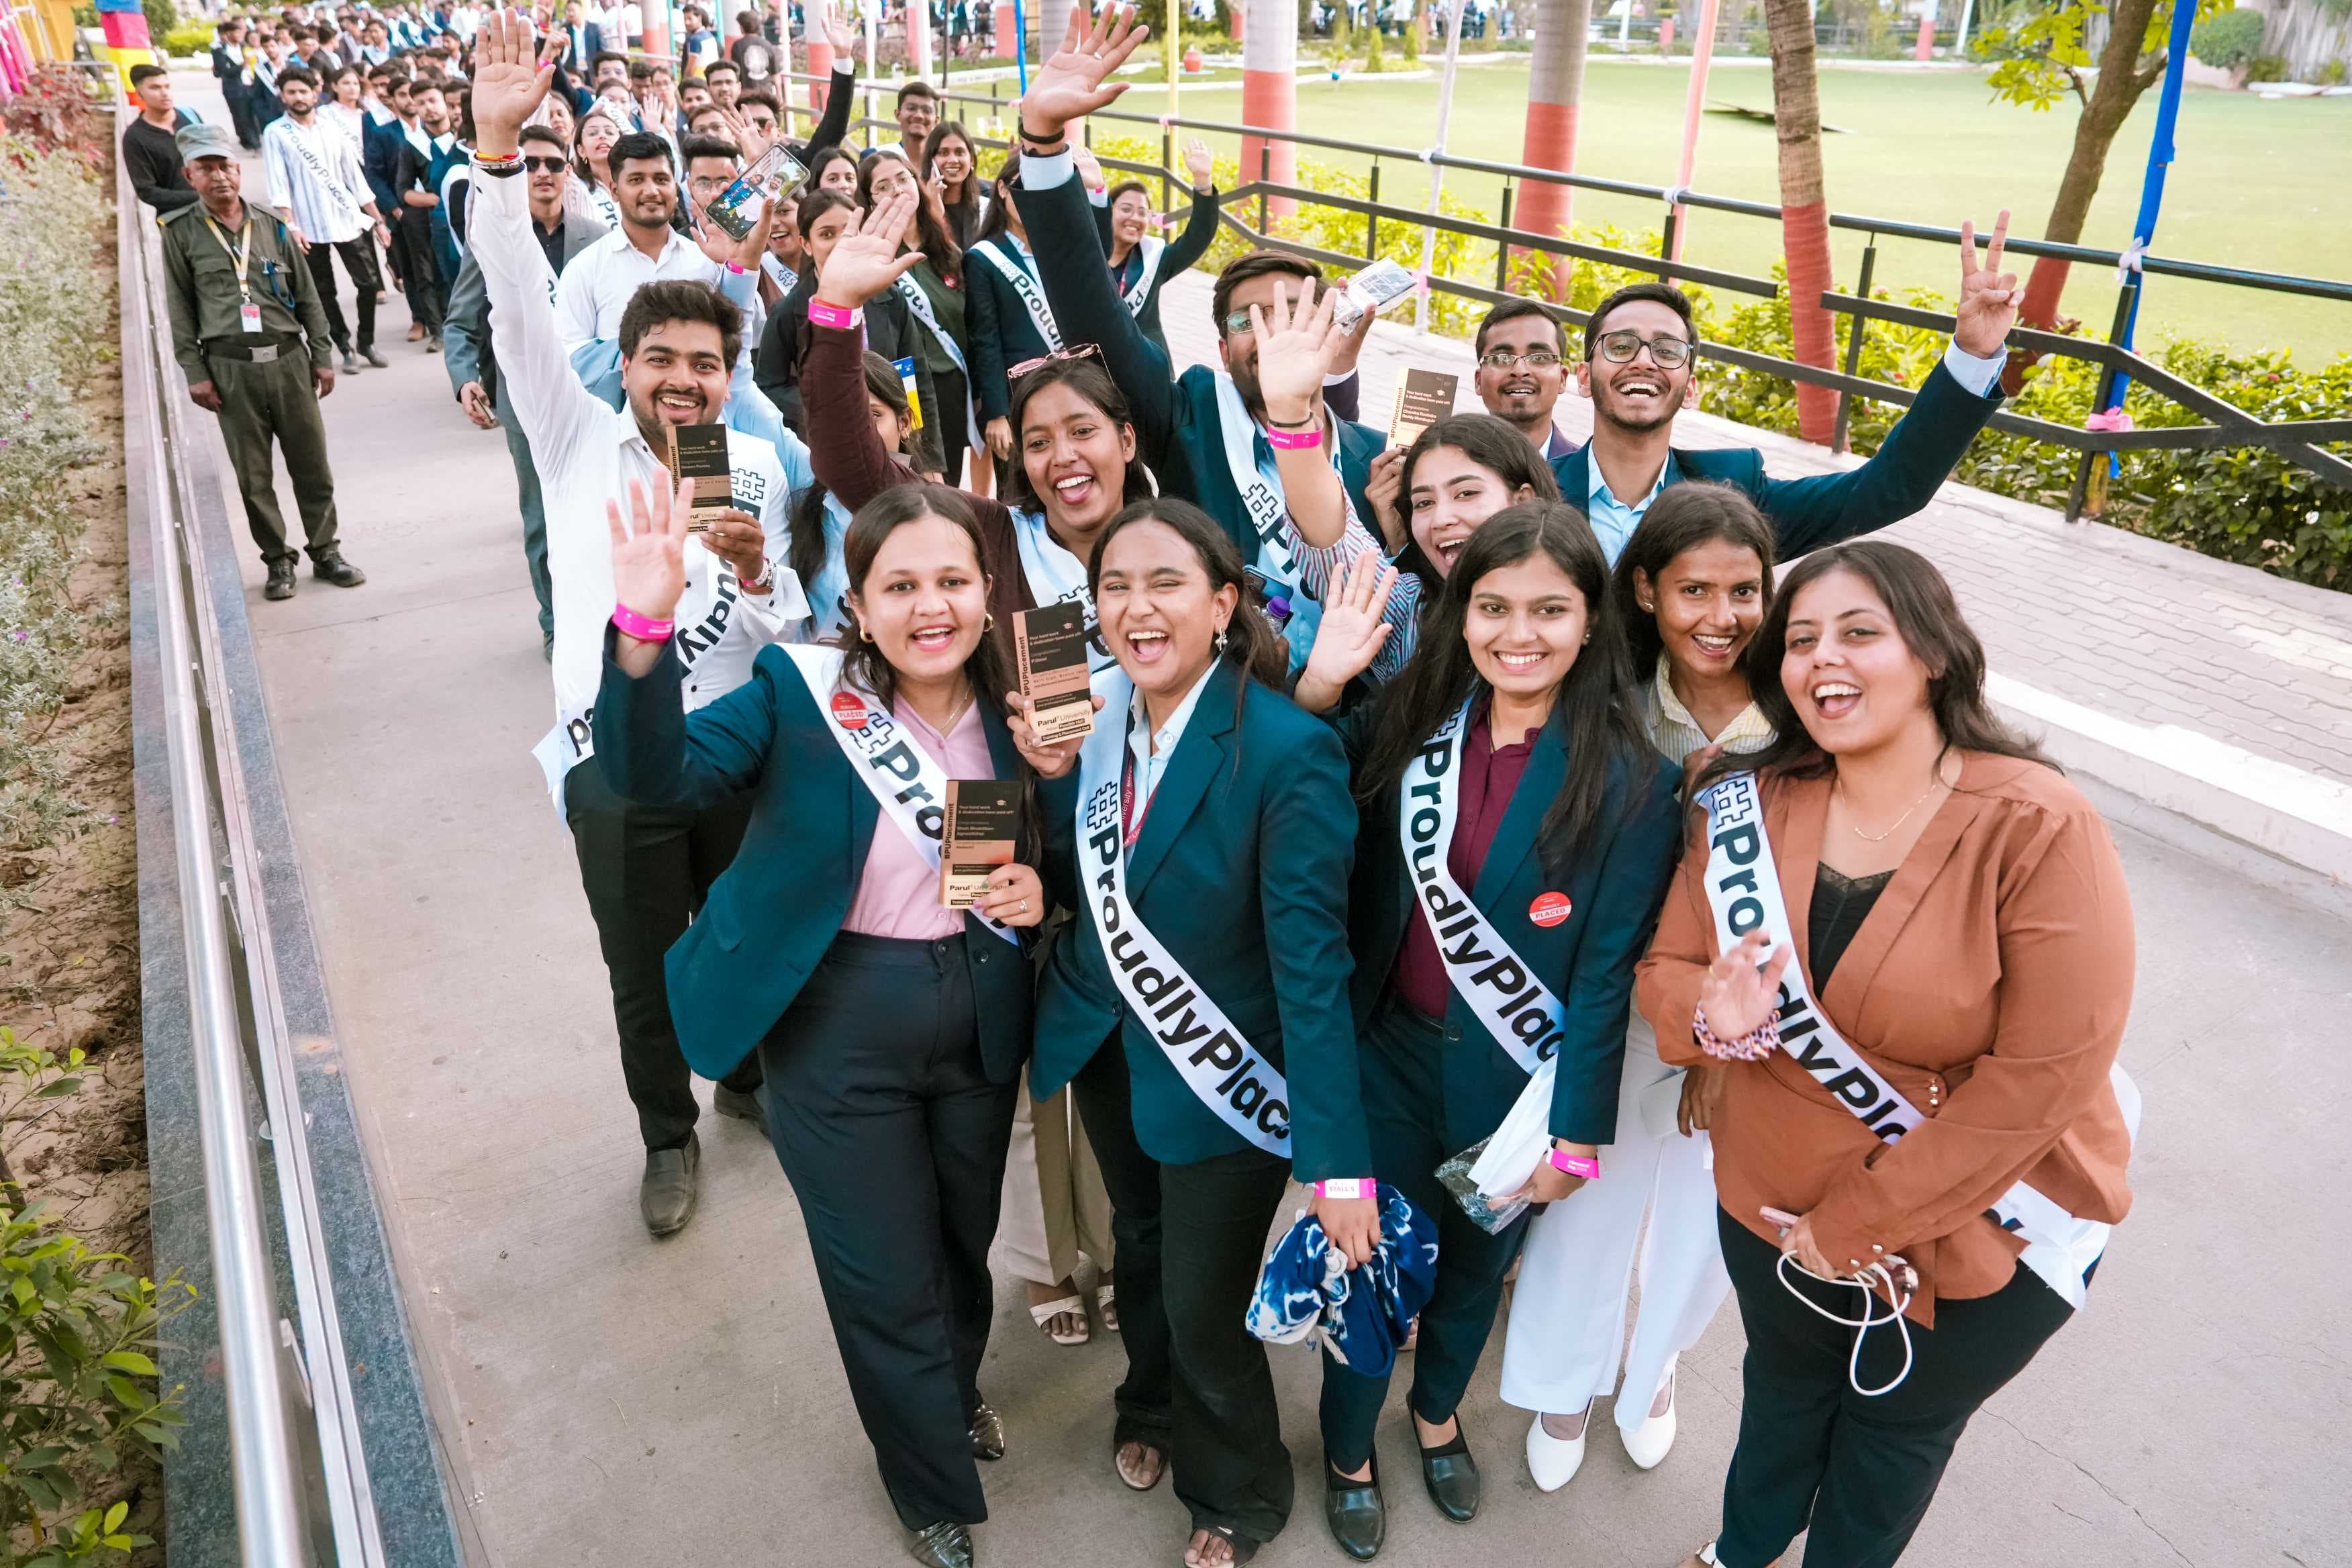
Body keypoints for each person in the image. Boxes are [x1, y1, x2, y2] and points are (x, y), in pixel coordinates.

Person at [1640, 539, 2135, 1568]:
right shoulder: (1743, 799)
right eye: (1802, 639)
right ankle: (1743, 1549)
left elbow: (2048, 1075)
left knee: (1889, 1448)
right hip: (1768, 1208)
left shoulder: (2036, 823)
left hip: (1976, 1234)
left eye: (1860, 632)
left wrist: (1854, 1225)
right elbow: (1666, 972)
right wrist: (1712, 1015)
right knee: (1781, 1400)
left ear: (1934, 653)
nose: (1825, 657)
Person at [597, 473, 1043, 1568]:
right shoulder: (798, 692)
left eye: (952, 581)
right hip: (837, 1021)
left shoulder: (1025, 703)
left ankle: (947, 1395)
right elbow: (654, 781)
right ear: (859, 603)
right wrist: (642, 631)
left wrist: (1043, 887)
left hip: (978, 1009)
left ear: (985, 591)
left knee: (958, 1247)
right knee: (880, 1271)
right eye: (901, 586)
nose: (930, 607)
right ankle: (926, 1482)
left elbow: (1079, 840)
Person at [465, 13, 810, 1238]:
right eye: (659, 357)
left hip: (732, 751)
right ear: (625, 363)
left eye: (703, 363)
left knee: (740, 930)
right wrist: (495, 157)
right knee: (645, 963)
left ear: (727, 375)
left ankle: (751, 1079)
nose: (681, 379)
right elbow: (516, 308)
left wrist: (756, 571)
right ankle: (668, 1136)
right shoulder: (573, 442)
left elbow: (785, 628)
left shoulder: (753, 470)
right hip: (613, 760)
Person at [1289, 502, 1680, 1559]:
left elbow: (1604, 978)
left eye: (1550, 610)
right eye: (1494, 607)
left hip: (1515, 1087)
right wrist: (1320, 684)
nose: (1520, 633)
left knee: (1470, 1277)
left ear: (1591, 621)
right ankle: (1348, 1450)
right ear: (1461, 615)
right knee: (1369, 1273)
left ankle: (1436, 1413)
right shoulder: (1410, 720)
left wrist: (1576, 1136)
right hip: (1386, 1059)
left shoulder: (1637, 782)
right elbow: (1300, 777)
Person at [1010, 497, 1370, 1568]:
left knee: (1206, 1304)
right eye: (1115, 586)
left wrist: (1338, 1163)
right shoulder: (1094, 719)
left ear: (1223, 604)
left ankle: (1240, 1491)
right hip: (1107, 1045)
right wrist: (1046, 805)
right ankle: (1150, 1405)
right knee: (1142, 1244)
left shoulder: (1289, 751)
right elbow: (1097, 880)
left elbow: (1313, 970)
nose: (1137, 608)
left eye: (1165, 583)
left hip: (1223, 1072)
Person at [1500, 482, 1775, 1493]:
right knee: (1590, 1204)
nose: (1721, 616)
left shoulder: (1797, 712)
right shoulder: (1607, 698)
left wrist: (1721, 1046)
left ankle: (1652, 1364)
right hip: (1612, 999)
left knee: (1700, 1220)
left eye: (1744, 590)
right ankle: (1563, 1382)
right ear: (1648, 589)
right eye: (1694, 589)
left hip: (1750, 1017)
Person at [1008, 11, 1383, 673]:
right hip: (1208, 708)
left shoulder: (1375, 462)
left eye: (1289, 312)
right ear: (1219, 347)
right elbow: (1091, 309)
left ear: (1326, 325)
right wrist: (1042, 141)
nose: (1269, 332)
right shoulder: (1188, 418)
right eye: (1246, 320)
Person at [1539, 222, 2019, 564]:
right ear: (1583, 376)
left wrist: (1972, 355)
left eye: (1667, 350)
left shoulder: (1734, 491)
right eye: (1621, 346)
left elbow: (1890, 488)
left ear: (1690, 389)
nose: (1644, 360)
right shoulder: (1533, 492)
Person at [159, 123, 367, 602]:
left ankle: (326, 551)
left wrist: (322, 354)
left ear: (238, 169)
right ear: (189, 176)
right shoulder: (180, 233)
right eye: (206, 169)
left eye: (225, 166)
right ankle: (277, 559)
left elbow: (308, 295)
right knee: (253, 476)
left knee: (312, 465)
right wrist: (195, 372)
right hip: (231, 370)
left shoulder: (272, 226)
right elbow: (180, 308)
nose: (219, 177)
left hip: (289, 361)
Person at [444, 121, 610, 658]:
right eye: (529, 164)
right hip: (525, 400)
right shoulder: (494, 241)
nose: (541, 173)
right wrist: (465, 378)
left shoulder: (596, 238)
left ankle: (603, 610)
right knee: (541, 512)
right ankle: (555, 621)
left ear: (568, 171)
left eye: (553, 164)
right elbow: (460, 321)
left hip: (592, 393)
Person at [1289, 412, 1560, 699]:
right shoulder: (1410, 613)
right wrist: (1290, 414)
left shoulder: (1578, 604)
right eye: (1424, 503)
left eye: (1466, 493)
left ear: (1523, 501)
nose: (1441, 519)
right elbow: (1331, 537)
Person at [752, 189, 940, 471]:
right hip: (824, 447)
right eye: (827, 234)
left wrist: (929, 462)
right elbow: (768, 387)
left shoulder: (891, 298)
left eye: (849, 231)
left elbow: (916, 379)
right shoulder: (788, 312)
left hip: (892, 449)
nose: (841, 243)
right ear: (806, 244)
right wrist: (830, 404)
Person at [861, 148, 977, 488]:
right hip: (898, 394)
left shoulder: (948, 253)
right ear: (869, 201)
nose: (897, 190)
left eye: (903, 179)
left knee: (945, 488)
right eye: (883, 187)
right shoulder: (871, 261)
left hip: (951, 390)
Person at [1099, 140, 1218, 357]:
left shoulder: (1154, 259)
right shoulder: (1087, 256)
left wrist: (1203, 181)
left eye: (1142, 212)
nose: (1135, 218)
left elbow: (1198, 236)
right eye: (1126, 209)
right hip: (1094, 364)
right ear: (1108, 212)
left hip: (1143, 362)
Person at [1469, 299, 1577, 463]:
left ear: (1562, 379)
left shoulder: (1590, 472)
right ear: (1478, 381)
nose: (1520, 371)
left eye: (1539, 357)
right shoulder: (1445, 466)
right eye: (1501, 358)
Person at [395, 79, 459, 348]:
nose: (428, 107)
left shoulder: (462, 137)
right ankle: (438, 331)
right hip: (428, 219)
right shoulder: (413, 145)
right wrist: (435, 199)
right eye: (421, 103)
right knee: (428, 275)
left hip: (464, 215)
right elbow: (404, 191)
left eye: (433, 100)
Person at [124, 64, 201, 213]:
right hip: (177, 218)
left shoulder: (190, 116)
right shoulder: (135, 137)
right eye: (155, 88)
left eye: (167, 86)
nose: (164, 93)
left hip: (217, 210)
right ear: (139, 94)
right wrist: (199, 197)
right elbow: (147, 192)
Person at [924, 121, 989, 251]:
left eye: (960, 153)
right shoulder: (918, 208)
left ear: (971, 160)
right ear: (931, 160)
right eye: (944, 153)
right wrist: (933, 212)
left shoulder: (986, 208)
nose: (953, 160)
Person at [213, 18, 264, 150]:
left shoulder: (244, 48)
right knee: (241, 116)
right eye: (236, 32)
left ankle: (254, 140)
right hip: (234, 89)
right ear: (228, 34)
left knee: (252, 114)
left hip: (250, 85)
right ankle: (250, 142)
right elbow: (223, 71)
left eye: (240, 32)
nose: (239, 35)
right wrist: (242, 66)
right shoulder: (220, 51)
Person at [891, 78, 940, 166]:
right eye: (911, 108)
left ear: (936, 121)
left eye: (927, 111)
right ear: (898, 114)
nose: (919, 116)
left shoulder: (943, 163)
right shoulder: (876, 157)